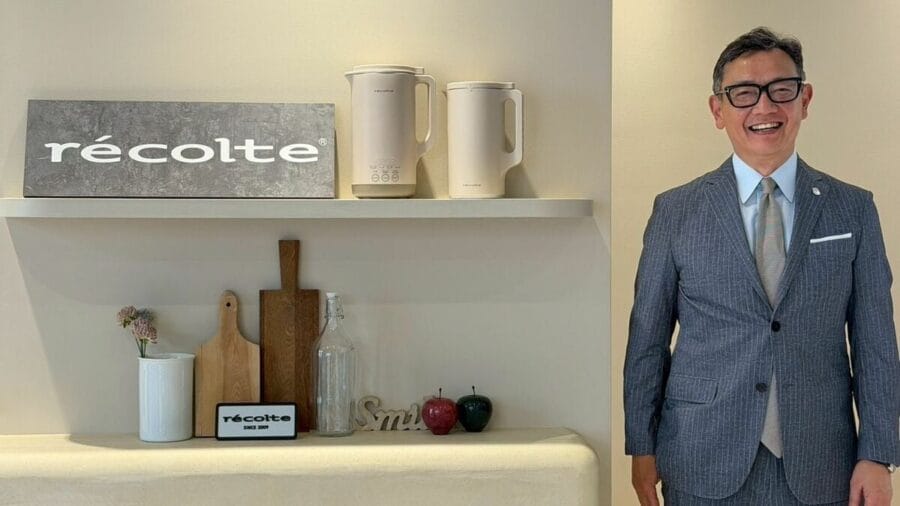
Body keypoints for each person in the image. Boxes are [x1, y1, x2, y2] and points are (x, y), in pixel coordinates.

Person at [624, 27, 899, 506]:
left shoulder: (852, 210)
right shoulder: (676, 211)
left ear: (804, 100)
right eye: (744, 93)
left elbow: (876, 343)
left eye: (781, 89)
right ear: (718, 110)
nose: (764, 107)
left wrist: (878, 454)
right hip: (700, 454)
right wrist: (640, 445)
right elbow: (647, 338)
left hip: (821, 461)